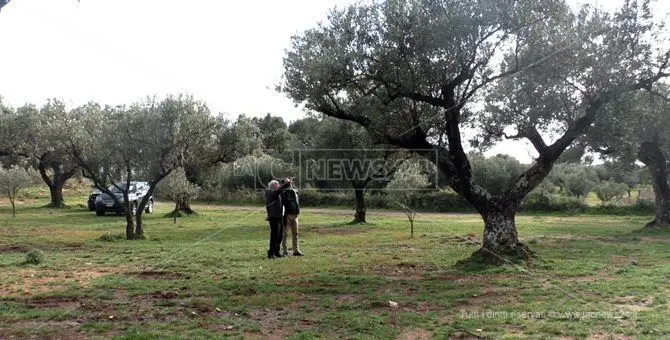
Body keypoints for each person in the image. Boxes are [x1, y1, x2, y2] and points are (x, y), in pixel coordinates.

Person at [265, 179, 290, 259]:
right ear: (273, 186)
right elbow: (280, 190)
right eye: (277, 184)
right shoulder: (270, 192)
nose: (279, 185)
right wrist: (287, 183)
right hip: (273, 217)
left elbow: (281, 191)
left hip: (279, 216)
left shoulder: (276, 193)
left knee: (279, 236)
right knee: (274, 235)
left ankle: (276, 251)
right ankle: (271, 253)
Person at [281, 178, 303, 256]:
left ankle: (296, 250)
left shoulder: (294, 191)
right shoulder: (283, 192)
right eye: (287, 182)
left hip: (295, 215)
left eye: (290, 182)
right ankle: (284, 251)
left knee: (295, 233)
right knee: (284, 234)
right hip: (286, 215)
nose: (290, 183)